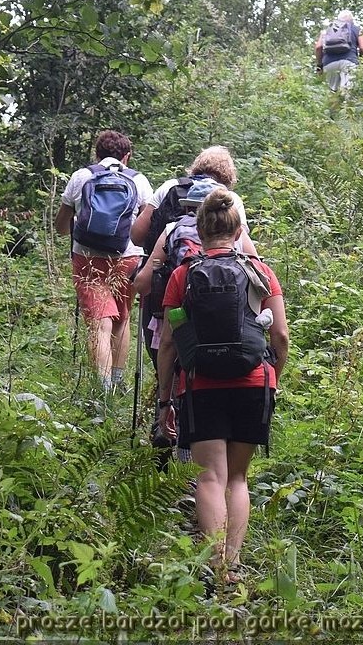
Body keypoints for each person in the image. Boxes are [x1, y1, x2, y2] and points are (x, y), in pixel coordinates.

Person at [155, 188, 289, 582]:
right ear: (239, 230)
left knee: (209, 476)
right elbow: (280, 336)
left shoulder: (183, 275)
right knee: (237, 477)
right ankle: (233, 562)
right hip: (254, 383)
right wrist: (273, 378)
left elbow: (168, 343)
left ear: (199, 231)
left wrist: (164, 401)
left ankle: (215, 565)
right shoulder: (260, 272)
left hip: (201, 385)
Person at [133, 178, 257, 466]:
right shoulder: (239, 238)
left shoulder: (172, 230)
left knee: (181, 383)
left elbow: (143, 284)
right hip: (234, 338)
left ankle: (180, 458)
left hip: (181, 325)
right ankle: (205, 463)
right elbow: (258, 275)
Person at [55, 130, 153, 393]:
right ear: (127, 156)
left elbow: (61, 227)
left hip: (88, 259)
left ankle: (103, 389)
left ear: (97, 154)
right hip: (128, 258)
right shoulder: (139, 180)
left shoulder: (81, 177)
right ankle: (118, 382)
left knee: (100, 322)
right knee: (122, 318)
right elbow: (147, 226)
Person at [314, 9, 363, 93]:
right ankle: (346, 100)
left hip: (329, 64)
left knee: (331, 93)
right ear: (351, 20)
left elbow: (318, 47)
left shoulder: (327, 30)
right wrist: (361, 62)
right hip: (349, 62)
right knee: (348, 92)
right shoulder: (356, 29)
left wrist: (319, 66)